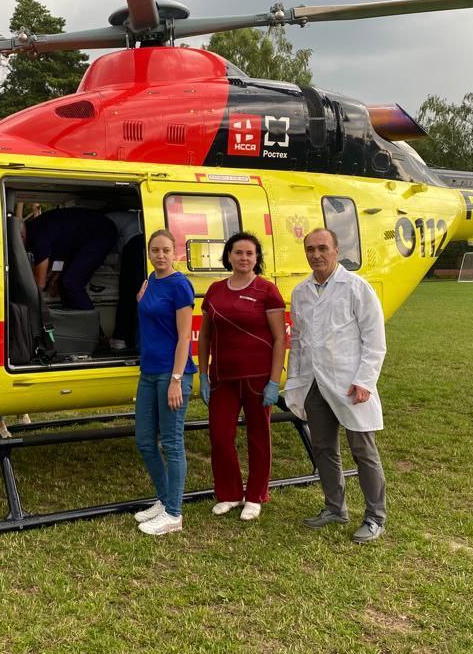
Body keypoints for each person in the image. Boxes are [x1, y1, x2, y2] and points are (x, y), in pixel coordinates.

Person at [285, 227, 388, 543]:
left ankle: (374, 517)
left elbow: (374, 339)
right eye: (310, 249)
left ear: (336, 249)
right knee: (323, 447)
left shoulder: (356, 287)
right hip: (315, 383)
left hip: (350, 383)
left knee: (362, 450)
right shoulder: (300, 292)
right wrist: (295, 382)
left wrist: (364, 380)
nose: (316, 254)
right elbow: (299, 342)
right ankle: (335, 507)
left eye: (322, 248)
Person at [198, 232, 285, 521]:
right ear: (229, 256)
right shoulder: (215, 290)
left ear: (257, 258)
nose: (244, 258)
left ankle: (256, 495)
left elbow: (279, 339)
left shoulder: (267, 290)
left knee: (258, 436)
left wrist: (274, 380)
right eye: (238, 253)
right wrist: (203, 374)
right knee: (220, 436)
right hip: (222, 377)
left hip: (258, 377)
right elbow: (206, 336)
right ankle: (230, 493)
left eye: (250, 253)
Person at [132, 229, 196, 535]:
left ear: (176, 253)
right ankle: (164, 498)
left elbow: (184, 336)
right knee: (145, 440)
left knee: (172, 443)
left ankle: (174, 513)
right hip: (148, 372)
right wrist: (139, 301)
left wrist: (176, 379)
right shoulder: (150, 280)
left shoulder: (180, 285)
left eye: (166, 250)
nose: (160, 255)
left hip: (172, 374)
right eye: (155, 250)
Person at [24, 207, 117, 310]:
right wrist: (55, 277)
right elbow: (64, 249)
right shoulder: (37, 227)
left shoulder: (37, 236)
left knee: (72, 283)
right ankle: (71, 320)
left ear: (21, 236)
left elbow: (40, 283)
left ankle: (91, 324)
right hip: (83, 239)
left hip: (101, 232)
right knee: (63, 283)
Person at [104, 209, 144, 350]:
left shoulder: (103, 220)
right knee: (137, 295)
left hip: (134, 244)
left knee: (127, 293)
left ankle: (121, 338)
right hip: (140, 243)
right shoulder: (124, 217)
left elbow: (103, 250)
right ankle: (131, 339)